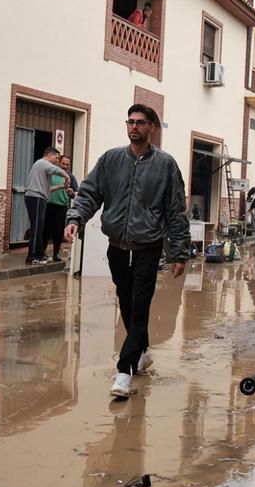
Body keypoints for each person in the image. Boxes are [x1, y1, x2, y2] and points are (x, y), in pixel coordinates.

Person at [63, 104, 190, 400]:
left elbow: (175, 210)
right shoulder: (111, 160)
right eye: (130, 122)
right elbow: (90, 193)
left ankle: (124, 371)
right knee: (126, 301)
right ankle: (142, 351)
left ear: (151, 128)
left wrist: (179, 252)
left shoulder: (165, 165)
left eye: (141, 122)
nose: (134, 127)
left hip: (148, 247)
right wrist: (75, 218)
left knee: (139, 305)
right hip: (117, 246)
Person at [24, 147, 63, 264]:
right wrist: (66, 176)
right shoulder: (42, 163)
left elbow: (48, 189)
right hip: (35, 197)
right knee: (36, 228)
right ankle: (32, 256)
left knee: (39, 228)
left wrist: (61, 186)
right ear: (49, 156)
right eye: (56, 158)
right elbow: (57, 170)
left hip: (40, 198)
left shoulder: (43, 169)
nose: (57, 161)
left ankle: (40, 254)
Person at [45, 155, 71, 260]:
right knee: (45, 231)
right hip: (48, 205)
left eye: (67, 164)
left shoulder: (71, 177)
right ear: (59, 163)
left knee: (58, 232)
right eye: (63, 164)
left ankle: (56, 255)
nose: (65, 166)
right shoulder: (51, 174)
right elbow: (45, 188)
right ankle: (42, 254)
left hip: (62, 207)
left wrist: (71, 193)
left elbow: (75, 193)